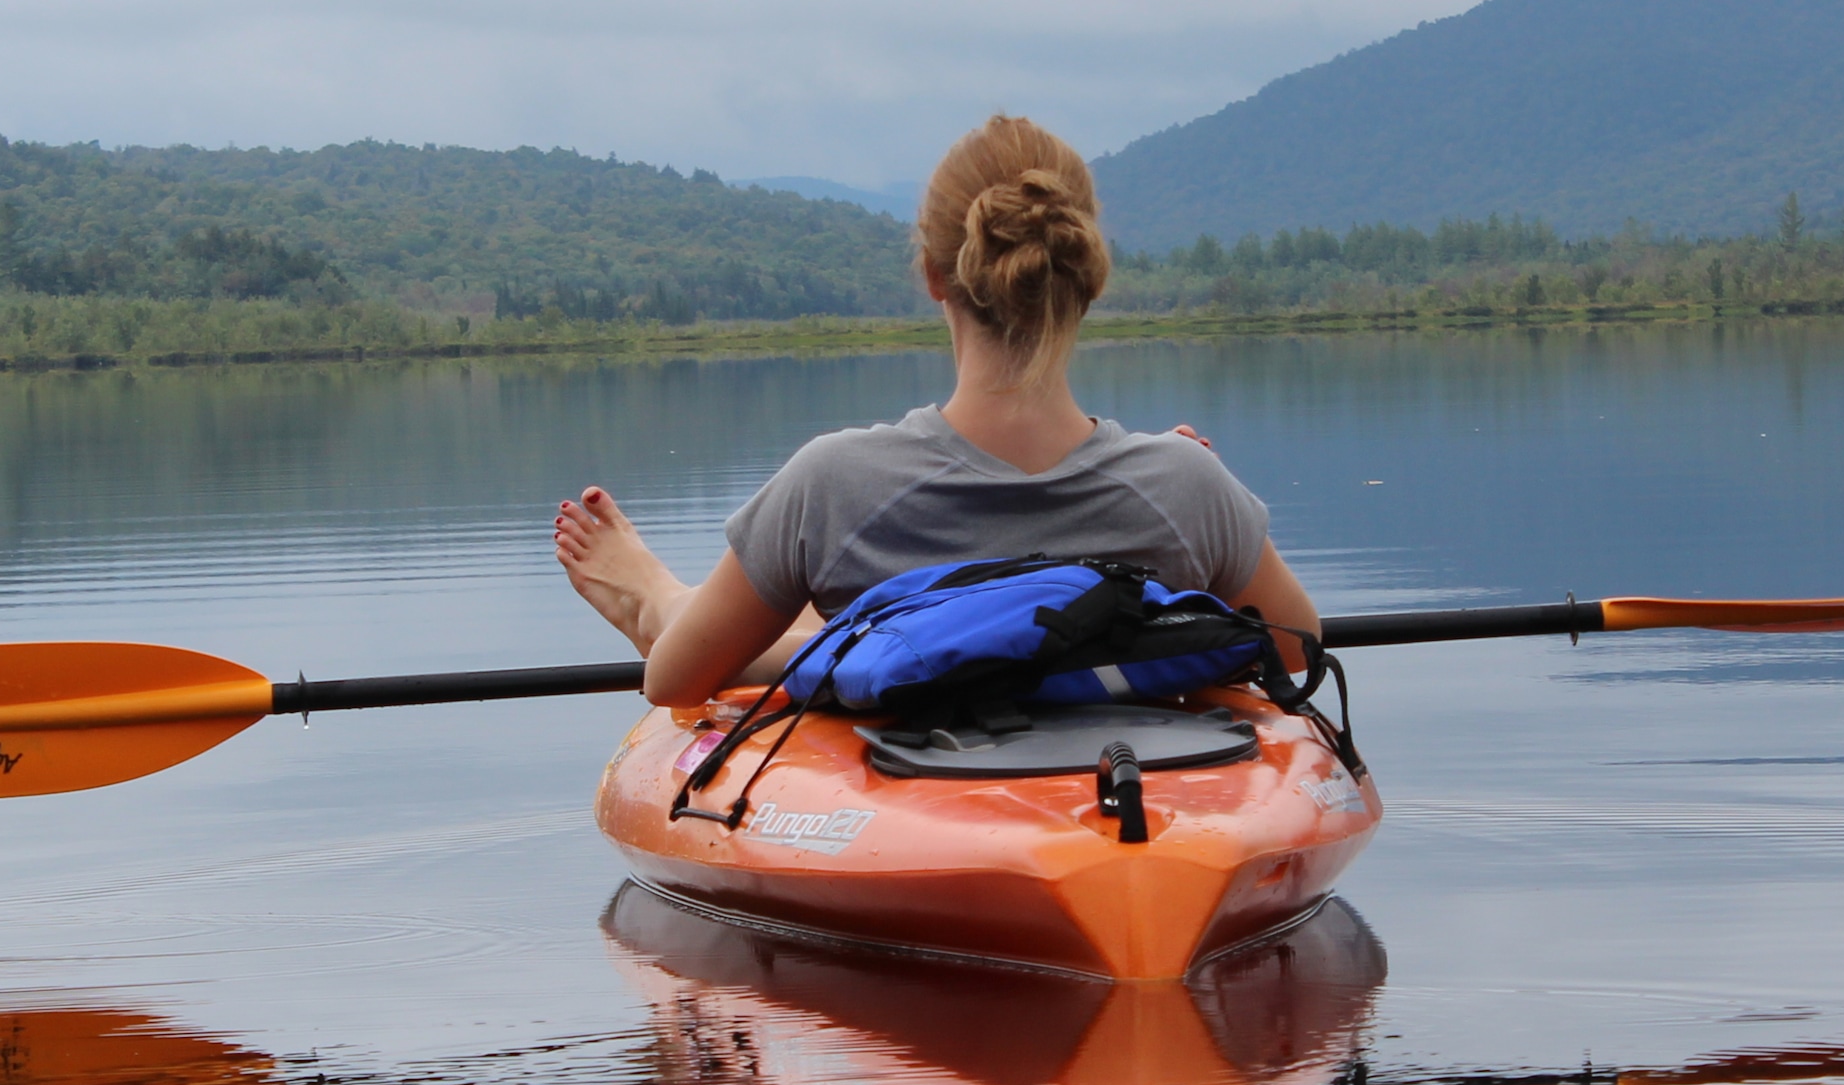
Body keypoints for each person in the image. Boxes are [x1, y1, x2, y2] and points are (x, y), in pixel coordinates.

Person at [554, 112, 1321, 707]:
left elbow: (674, 684)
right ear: (1090, 277)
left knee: (733, 638)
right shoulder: (1185, 482)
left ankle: (678, 607)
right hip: (1129, 806)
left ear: (931, 274)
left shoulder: (834, 485)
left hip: (896, 757)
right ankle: (781, 626)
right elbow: (1296, 651)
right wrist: (1192, 491)